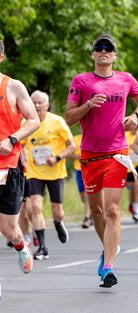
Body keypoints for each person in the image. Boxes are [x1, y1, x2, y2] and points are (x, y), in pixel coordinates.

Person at [64, 34, 138, 287]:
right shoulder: (81, 81)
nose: (103, 51)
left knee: (112, 209)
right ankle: (108, 249)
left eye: (108, 48)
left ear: (114, 55)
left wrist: (136, 116)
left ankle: (109, 266)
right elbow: (68, 117)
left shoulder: (126, 79)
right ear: (92, 54)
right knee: (97, 211)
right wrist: (88, 105)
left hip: (117, 153)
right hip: (89, 154)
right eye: (99, 48)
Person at [0, 39, 39, 273]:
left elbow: (33, 120)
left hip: (8, 165)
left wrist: (12, 139)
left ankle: (20, 243)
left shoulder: (13, 86)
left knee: (8, 229)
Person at [23, 90, 75, 260]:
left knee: (57, 211)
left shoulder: (57, 122)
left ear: (47, 105)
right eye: (34, 102)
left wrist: (58, 157)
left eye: (40, 103)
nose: (37, 106)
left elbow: (71, 146)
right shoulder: (27, 122)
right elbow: (21, 145)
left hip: (55, 171)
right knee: (35, 207)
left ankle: (59, 223)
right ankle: (43, 246)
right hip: (34, 172)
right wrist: (22, 161)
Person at [70, 133, 92, 229]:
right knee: (83, 196)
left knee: (88, 194)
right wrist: (77, 156)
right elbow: (69, 153)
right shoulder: (75, 139)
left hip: (90, 169)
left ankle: (86, 218)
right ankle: (91, 212)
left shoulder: (93, 137)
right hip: (79, 169)